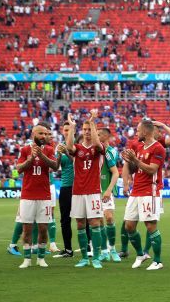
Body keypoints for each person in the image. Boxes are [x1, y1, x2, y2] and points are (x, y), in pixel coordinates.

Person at [122, 119, 167, 271]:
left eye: (138, 130)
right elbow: (136, 168)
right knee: (129, 225)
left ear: (146, 132)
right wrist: (129, 161)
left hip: (150, 191)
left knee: (150, 225)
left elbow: (152, 169)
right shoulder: (139, 147)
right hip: (136, 190)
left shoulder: (158, 148)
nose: (136, 133)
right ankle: (140, 254)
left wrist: (135, 159)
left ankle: (158, 261)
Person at [66, 110, 105, 269]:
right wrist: (72, 126)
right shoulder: (77, 148)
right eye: (85, 129)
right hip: (78, 192)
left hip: (94, 191)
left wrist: (93, 122)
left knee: (94, 223)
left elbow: (96, 143)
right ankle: (83, 257)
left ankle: (96, 257)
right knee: (80, 224)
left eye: (89, 130)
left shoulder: (98, 148)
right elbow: (69, 146)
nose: (87, 132)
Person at [16, 125, 59, 268]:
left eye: (46, 133)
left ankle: (41, 257)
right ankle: (27, 258)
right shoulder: (24, 150)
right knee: (26, 229)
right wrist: (30, 159)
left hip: (44, 196)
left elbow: (55, 166)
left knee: (43, 228)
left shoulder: (49, 149)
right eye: (41, 133)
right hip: (27, 195)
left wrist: (41, 156)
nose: (44, 136)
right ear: (33, 134)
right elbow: (19, 169)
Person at [98, 127, 121, 262]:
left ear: (106, 137)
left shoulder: (111, 152)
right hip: (94, 190)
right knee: (99, 221)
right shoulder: (96, 151)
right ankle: (104, 250)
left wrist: (109, 190)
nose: (97, 136)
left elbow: (114, 172)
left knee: (109, 217)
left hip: (106, 190)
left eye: (99, 134)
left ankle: (112, 249)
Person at [53, 120, 75, 258]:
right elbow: (55, 167)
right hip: (66, 186)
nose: (66, 132)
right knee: (65, 219)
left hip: (79, 186)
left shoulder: (78, 144)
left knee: (83, 219)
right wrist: (60, 154)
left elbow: (76, 161)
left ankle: (89, 247)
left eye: (69, 130)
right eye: (65, 130)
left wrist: (66, 151)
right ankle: (68, 249)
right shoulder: (59, 147)